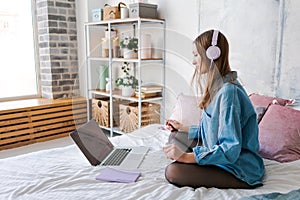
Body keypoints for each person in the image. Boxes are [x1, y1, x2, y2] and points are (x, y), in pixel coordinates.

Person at [163, 29, 265, 189]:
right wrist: (183, 128)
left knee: (173, 171)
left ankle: (198, 161)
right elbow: (214, 129)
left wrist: (185, 157)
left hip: (238, 167)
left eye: (196, 55)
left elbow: (231, 149)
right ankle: (198, 157)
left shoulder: (228, 92)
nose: (193, 61)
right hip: (224, 157)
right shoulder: (219, 87)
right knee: (176, 136)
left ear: (212, 54)